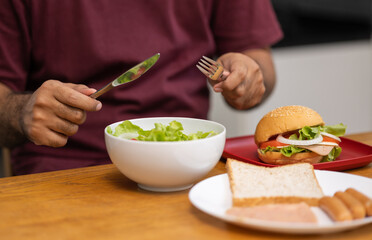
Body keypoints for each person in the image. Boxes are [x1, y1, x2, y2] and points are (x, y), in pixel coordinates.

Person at [0, 0, 283, 175]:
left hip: (186, 161)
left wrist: (247, 75)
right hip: (60, 169)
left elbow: (259, 62)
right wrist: (21, 111)